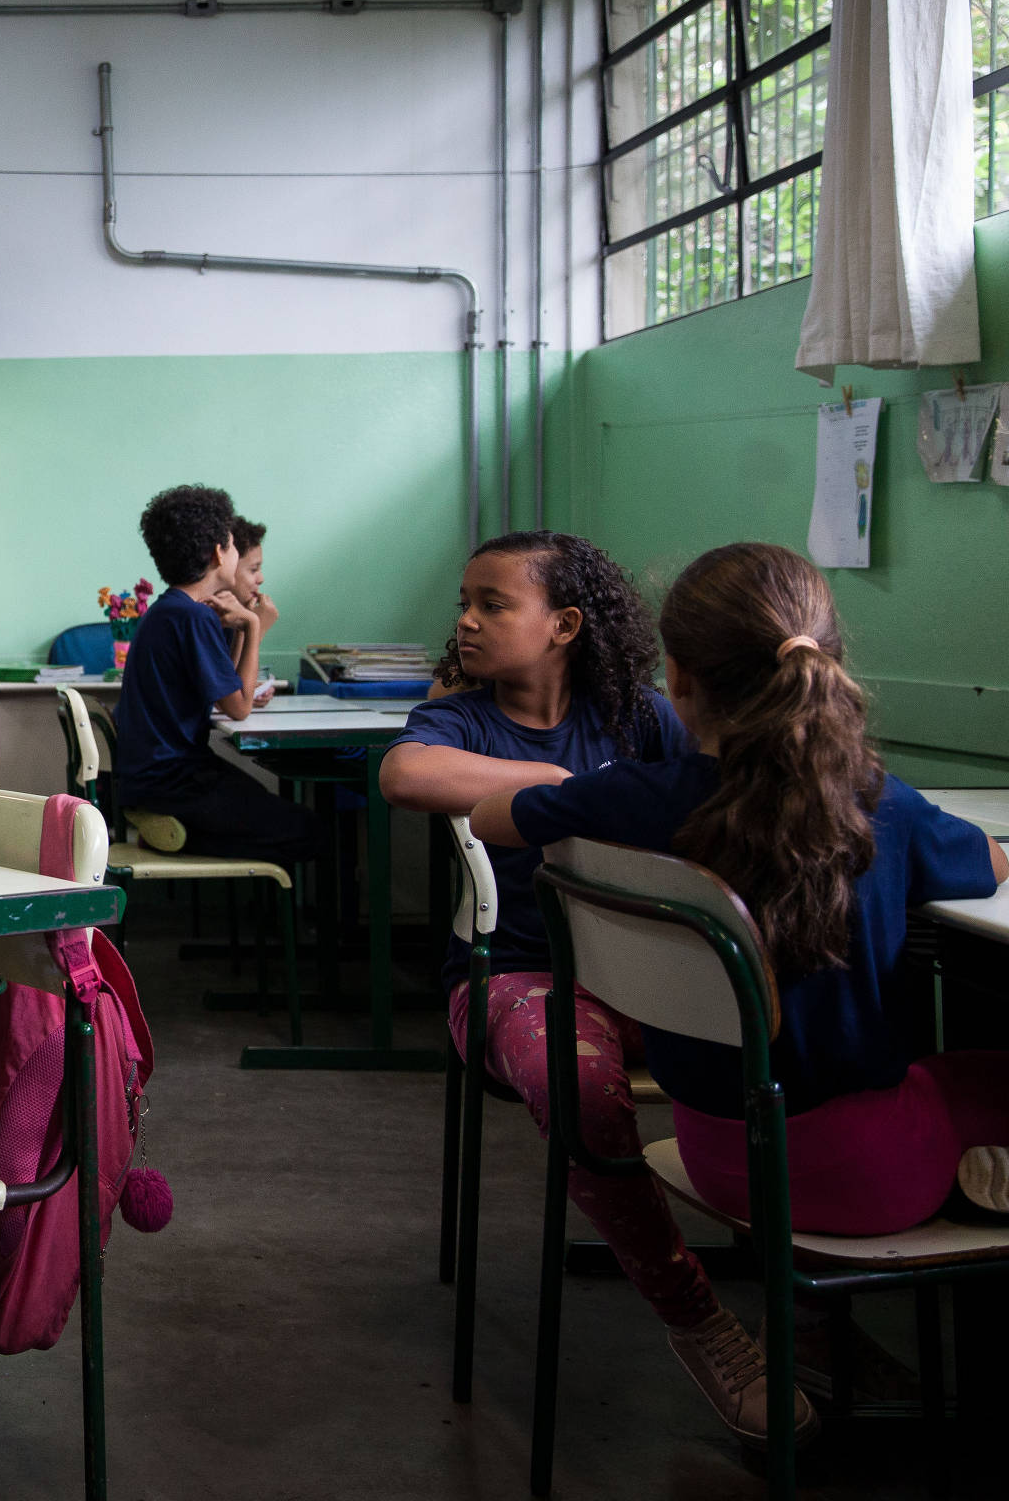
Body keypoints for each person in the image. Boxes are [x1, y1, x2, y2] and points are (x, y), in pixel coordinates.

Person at [381, 531, 797, 1445]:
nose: (466, 619)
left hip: (656, 977)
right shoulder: (462, 719)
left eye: (494, 603)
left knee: (794, 1042)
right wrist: (573, 789)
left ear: (565, 624)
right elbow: (405, 775)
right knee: (577, 1080)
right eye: (467, 600)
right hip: (517, 979)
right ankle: (697, 1318)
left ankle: (806, 1318)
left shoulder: (641, 716)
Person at [474, 541, 1008, 1237]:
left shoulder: (630, 798)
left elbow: (489, 818)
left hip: (717, 1159)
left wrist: (575, 789)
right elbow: (992, 862)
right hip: (866, 1176)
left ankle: (818, 1317)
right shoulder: (880, 805)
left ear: (678, 677)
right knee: (976, 1074)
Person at [111, 485, 317, 861]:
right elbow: (238, 707)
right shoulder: (193, 616)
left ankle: (179, 835)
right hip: (174, 780)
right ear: (219, 552)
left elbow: (227, 690)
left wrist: (238, 627)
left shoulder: (172, 609)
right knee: (307, 830)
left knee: (272, 810)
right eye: (235, 546)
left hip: (154, 777)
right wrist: (254, 626)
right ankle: (181, 839)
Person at [227, 516, 277, 704]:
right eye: (253, 569)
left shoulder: (231, 615)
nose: (261, 578)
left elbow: (232, 690)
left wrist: (249, 692)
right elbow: (236, 703)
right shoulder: (205, 617)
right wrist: (257, 630)